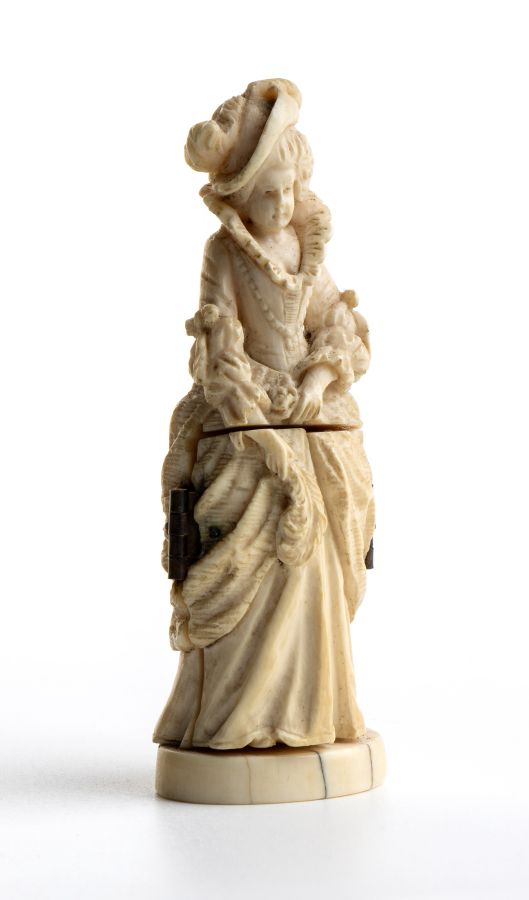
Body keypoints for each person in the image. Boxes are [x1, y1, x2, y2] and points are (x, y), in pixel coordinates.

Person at [153, 79, 375, 750]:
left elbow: (336, 322)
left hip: (308, 404)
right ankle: (237, 712)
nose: (280, 206)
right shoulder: (224, 253)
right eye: (266, 195)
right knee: (260, 513)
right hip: (244, 405)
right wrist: (257, 405)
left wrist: (319, 373)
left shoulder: (305, 249)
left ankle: (314, 710)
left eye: (287, 191)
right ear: (240, 200)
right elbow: (218, 348)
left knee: (332, 511)